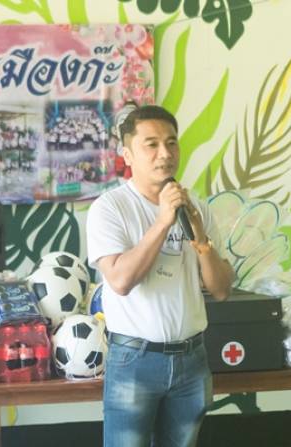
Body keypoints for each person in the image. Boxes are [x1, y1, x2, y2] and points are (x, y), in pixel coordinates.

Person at [86, 105, 234, 447]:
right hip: (135, 360)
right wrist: (163, 220)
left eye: (171, 142)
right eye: (151, 144)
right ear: (128, 155)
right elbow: (121, 281)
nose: (165, 153)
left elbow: (222, 289)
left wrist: (200, 236)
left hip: (192, 359)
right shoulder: (109, 208)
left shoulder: (196, 208)